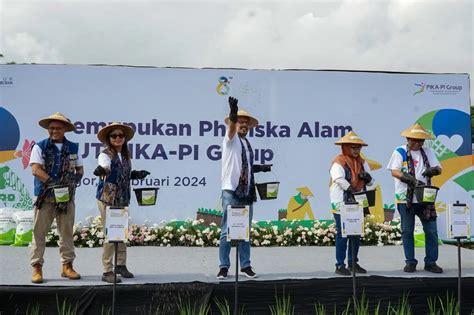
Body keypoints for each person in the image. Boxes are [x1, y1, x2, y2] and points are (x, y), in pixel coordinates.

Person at [217, 96, 271, 280]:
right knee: (227, 231)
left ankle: (245, 266)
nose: (243, 125)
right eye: (241, 122)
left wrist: (260, 168)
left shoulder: (247, 144)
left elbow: (244, 166)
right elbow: (231, 129)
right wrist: (233, 113)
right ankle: (224, 267)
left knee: (244, 230)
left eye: (246, 123)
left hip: (246, 192)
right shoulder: (230, 140)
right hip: (231, 191)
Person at [30, 112, 83, 283]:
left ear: (65, 129)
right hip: (45, 197)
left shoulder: (74, 148)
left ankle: (67, 266)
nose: (54, 131)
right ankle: (37, 267)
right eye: (51, 128)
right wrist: (54, 182)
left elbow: (80, 170)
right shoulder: (39, 147)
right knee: (39, 233)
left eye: (58, 128)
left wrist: (73, 181)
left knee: (66, 232)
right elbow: (36, 170)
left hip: (66, 197)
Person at [94, 122, 150, 283]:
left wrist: (136, 174)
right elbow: (105, 167)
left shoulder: (126, 155)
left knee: (121, 231)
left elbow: (123, 174)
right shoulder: (105, 154)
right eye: (114, 136)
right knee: (110, 234)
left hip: (123, 197)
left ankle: (120, 264)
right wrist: (101, 170)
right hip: (108, 197)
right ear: (108, 139)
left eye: (120, 135)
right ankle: (107, 270)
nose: (118, 138)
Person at [387, 123, 443, 273]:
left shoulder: (428, 152)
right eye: (414, 140)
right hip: (406, 198)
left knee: (431, 231)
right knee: (407, 231)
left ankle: (431, 262)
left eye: (420, 141)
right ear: (408, 139)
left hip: (425, 197)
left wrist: (433, 171)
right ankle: (410, 262)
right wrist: (410, 179)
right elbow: (394, 171)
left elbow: (440, 168)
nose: (417, 143)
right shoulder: (400, 151)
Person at [329, 131, 374, 276]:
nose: (356, 150)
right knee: (342, 234)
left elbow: (372, 182)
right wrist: (353, 189)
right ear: (345, 147)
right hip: (341, 201)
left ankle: (353, 263)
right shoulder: (338, 161)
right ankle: (340, 264)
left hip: (358, 201)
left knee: (355, 233)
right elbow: (339, 180)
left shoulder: (362, 162)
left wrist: (366, 177)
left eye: (358, 148)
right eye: (353, 147)